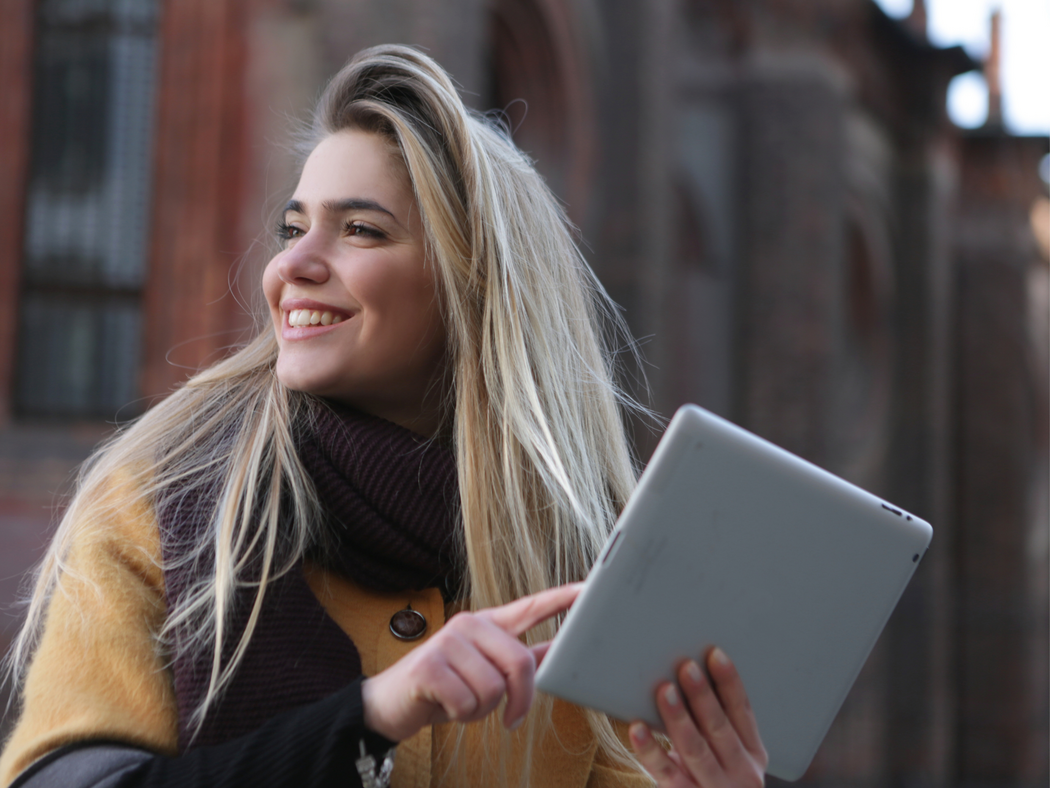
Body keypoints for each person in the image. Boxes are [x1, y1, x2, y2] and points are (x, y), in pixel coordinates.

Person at [0, 45, 767, 788]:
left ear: (472, 285)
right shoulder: (153, 512)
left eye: (360, 229)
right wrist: (369, 719)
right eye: (294, 227)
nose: (291, 265)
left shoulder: (588, 565)